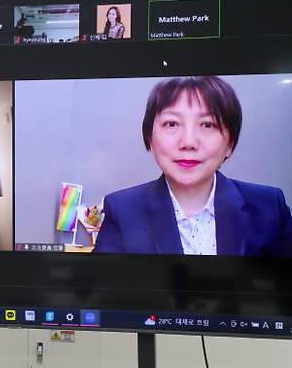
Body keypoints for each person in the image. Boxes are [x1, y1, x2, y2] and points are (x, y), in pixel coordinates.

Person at [94, 76, 292, 256]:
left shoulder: (270, 207)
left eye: (207, 125)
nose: (188, 142)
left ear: (230, 144)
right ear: (150, 139)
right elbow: (102, 292)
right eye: (172, 124)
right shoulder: (121, 210)